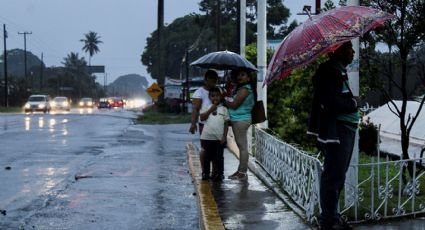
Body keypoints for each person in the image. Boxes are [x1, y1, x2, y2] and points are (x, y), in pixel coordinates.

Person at [307, 41, 358, 230]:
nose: (352, 52)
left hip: (345, 129)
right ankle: (328, 221)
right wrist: (354, 103)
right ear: (338, 52)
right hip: (338, 131)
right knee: (333, 176)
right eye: (348, 49)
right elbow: (330, 102)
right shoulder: (329, 72)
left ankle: (333, 216)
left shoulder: (336, 71)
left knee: (338, 176)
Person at [224, 68, 255, 180]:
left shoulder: (245, 89)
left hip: (241, 120)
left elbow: (235, 105)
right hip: (238, 119)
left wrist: (225, 101)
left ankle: (242, 172)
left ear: (248, 77)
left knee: (242, 147)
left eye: (243, 75)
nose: (240, 77)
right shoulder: (241, 88)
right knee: (241, 146)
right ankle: (240, 170)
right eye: (238, 75)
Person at [189, 69, 219, 177]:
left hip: (217, 125)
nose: (213, 83)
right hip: (204, 124)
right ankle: (205, 171)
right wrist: (193, 124)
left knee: (217, 150)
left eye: (215, 80)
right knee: (205, 149)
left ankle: (216, 172)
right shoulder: (199, 92)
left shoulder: (218, 90)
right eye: (211, 80)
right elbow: (195, 109)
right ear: (205, 80)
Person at [199, 87, 229, 181]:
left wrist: (224, 136)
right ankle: (205, 173)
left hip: (219, 138)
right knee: (207, 157)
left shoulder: (224, 109)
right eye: (212, 96)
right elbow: (202, 118)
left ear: (220, 97)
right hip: (207, 137)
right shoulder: (206, 107)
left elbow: (226, 124)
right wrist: (211, 109)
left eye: (217, 95)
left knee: (219, 157)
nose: (215, 97)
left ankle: (219, 174)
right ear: (209, 97)